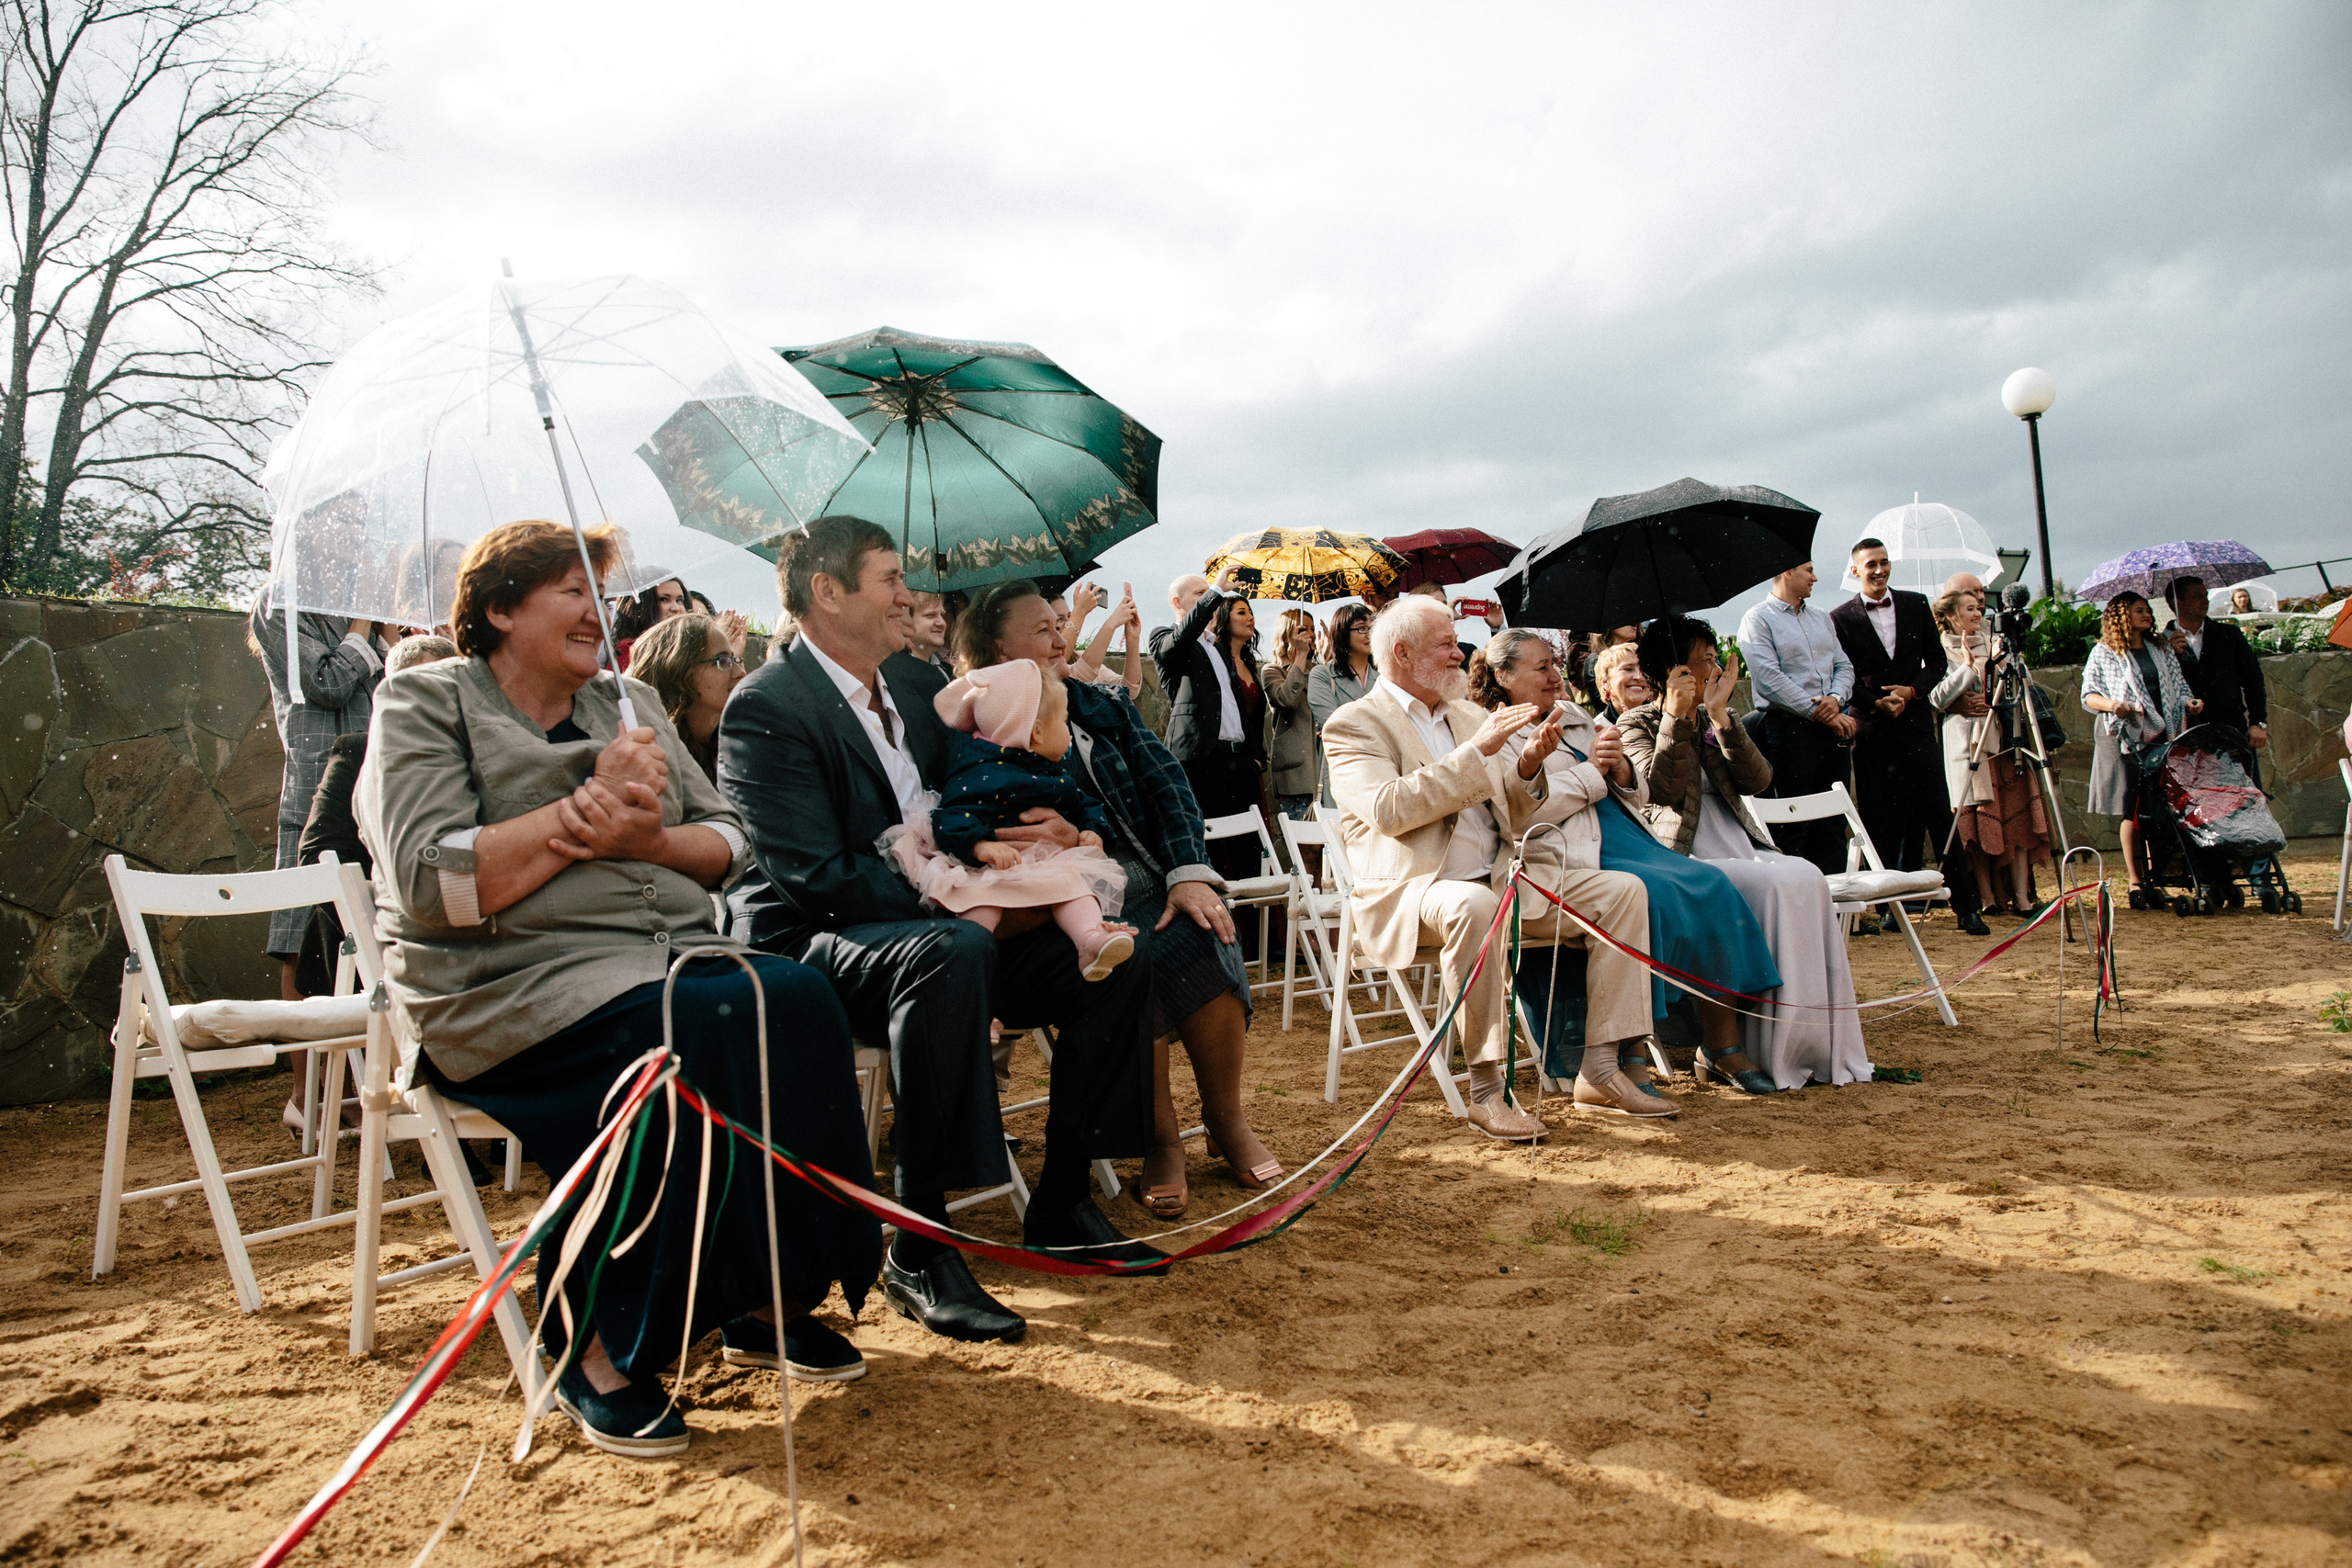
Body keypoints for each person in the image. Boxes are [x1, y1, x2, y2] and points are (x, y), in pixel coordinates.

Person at [355, 519, 879, 1458]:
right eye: (571, 592)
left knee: (796, 999)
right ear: (500, 607)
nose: (601, 613)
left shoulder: (629, 701)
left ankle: (761, 1297)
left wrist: (645, 842)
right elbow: (432, 886)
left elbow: (727, 841)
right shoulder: (425, 704)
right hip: (513, 991)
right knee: (697, 1024)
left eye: (604, 594)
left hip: (666, 961)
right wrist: (580, 814)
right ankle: (589, 1340)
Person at [720, 517, 1161, 1347]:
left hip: (947, 917)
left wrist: (1056, 831)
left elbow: (991, 787)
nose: (908, 595)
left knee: (1114, 953)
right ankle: (918, 1244)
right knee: (952, 952)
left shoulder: (918, 689)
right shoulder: (767, 704)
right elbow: (813, 875)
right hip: (816, 942)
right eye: (889, 579)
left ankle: (1063, 1201)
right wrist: (960, 895)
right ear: (827, 592)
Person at [957, 580, 1281, 1218]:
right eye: (1043, 626)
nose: (1061, 635)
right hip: (1050, 899)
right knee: (1136, 954)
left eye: (1061, 624)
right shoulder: (973, 718)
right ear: (995, 641)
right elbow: (963, 817)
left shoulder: (1100, 703)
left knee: (1205, 924)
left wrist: (1188, 869)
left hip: (1141, 874)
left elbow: (1168, 784)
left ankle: (1225, 1119)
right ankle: (1162, 1142)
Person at [1476, 626, 1786, 1100]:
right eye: (1541, 668)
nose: (1554, 675)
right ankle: (1631, 1055)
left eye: (1553, 665)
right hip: (1571, 849)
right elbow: (1518, 816)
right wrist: (1593, 773)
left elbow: (1638, 793)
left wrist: (1621, 769)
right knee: (1651, 896)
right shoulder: (1494, 731)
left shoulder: (1576, 715)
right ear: (1504, 676)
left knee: (1712, 883)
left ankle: (1723, 1048)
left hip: (1625, 835)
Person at [1320, 598, 1572, 1139]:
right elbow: (1390, 810)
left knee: (1621, 892)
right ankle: (1485, 1088)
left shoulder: (1469, 715)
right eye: (1445, 644)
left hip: (1502, 873)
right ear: (1403, 653)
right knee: (1475, 904)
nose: (1460, 653)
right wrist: (1476, 752)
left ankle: (1607, 1067)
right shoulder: (1353, 724)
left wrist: (1527, 765)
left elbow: (1515, 810)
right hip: (1414, 890)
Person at [1610, 618, 1869, 1089]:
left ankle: (1808, 1042)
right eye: (1704, 658)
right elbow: (1661, 790)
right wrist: (1676, 718)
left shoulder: (1717, 714)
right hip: (1682, 850)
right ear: (1674, 668)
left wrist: (1723, 719)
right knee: (1776, 883)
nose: (1715, 666)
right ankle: (1755, 1043)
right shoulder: (1636, 721)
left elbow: (1759, 781)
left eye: (1713, 656)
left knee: (1804, 873)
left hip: (1739, 839)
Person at [879, 659, 1138, 977]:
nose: (1068, 734)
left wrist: (1092, 829)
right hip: (986, 870)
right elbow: (950, 817)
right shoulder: (980, 774)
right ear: (1037, 733)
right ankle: (965, 976)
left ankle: (1089, 939)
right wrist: (979, 846)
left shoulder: (1047, 773)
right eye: (1064, 722)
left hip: (1040, 865)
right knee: (980, 908)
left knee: (1074, 886)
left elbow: (1084, 803)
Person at [1830, 539, 1980, 929]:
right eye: (1870, 565)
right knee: (1879, 821)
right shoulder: (1839, 617)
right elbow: (1843, 674)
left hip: (1915, 725)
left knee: (1938, 814)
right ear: (1855, 572)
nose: (1879, 571)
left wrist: (1911, 692)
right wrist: (1875, 701)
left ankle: (1967, 908)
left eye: (1884, 563)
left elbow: (1937, 664)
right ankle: (1888, 911)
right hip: (1872, 731)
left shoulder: (1915, 604)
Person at [1929, 590, 2052, 922]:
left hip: (2002, 740)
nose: (1977, 613)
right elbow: (1937, 698)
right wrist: (1968, 668)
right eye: (1969, 608)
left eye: (1979, 607)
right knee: (1976, 824)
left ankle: (2023, 897)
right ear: (1952, 615)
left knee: (2015, 818)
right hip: (1967, 746)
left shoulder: (1994, 641)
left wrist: (2008, 660)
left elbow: (2017, 687)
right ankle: (1986, 896)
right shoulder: (1938, 648)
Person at [2080, 591, 2201, 898]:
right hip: (2123, 737)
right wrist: (2112, 705)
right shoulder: (2104, 652)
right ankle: (2136, 879)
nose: (2147, 614)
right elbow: (2089, 695)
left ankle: (2161, 874)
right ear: (2121, 617)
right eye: (2138, 610)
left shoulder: (2159, 647)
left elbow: (2178, 685)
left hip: (2163, 735)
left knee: (2160, 806)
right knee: (2131, 808)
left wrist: (2190, 701)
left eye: (2147, 610)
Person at [1738, 560, 1856, 874]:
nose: (1815, 578)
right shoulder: (1757, 619)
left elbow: (1844, 666)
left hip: (1831, 730)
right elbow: (1768, 679)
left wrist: (1835, 699)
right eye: (1809, 570)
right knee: (1793, 824)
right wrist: (1820, 711)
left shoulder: (1822, 618)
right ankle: (1798, 906)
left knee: (1833, 823)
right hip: (1789, 731)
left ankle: (1837, 909)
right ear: (1788, 571)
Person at [1151, 570, 1267, 882]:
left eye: (1209, 593)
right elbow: (1178, 641)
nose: (1210, 598)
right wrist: (1216, 588)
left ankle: (1258, 931)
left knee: (1252, 856)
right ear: (1177, 602)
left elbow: (1237, 704)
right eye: (1199, 594)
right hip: (1202, 763)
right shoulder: (1165, 638)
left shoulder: (1217, 648)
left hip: (1239, 761)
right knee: (1211, 856)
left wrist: (1256, 755)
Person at [623, 612, 747, 785]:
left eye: (735, 659)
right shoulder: (654, 756)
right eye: (723, 661)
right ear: (677, 671)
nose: (740, 673)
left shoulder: (739, 744)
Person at [2165, 575, 2269, 763]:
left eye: (2205, 595)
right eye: (2197, 596)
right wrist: (2166, 652)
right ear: (2175, 602)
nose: (2205, 601)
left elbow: (2253, 679)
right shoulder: (2161, 643)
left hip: (2231, 729)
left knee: (2245, 790)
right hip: (2186, 735)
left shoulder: (2229, 635)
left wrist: (2258, 722)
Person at [1307, 603, 1378, 806]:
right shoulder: (1323, 675)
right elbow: (1336, 726)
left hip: (1380, 774)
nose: (1369, 634)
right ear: (1342, 633)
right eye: (1361, 628)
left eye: (1372, 628)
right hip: (1343, 774)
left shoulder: (1383, 679)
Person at [1263, 607, 1319, 823]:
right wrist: (1301, 655)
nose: (1311, 634)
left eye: (1313, 629)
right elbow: (1287, 699)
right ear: (1288, 633)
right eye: (1304, 629)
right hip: (1296, 774)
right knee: (1304, 845)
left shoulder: (1320, 671)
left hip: (1322, 770)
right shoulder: (1272, 670)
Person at [1066, 581, 1148, 703]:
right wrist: (1111, 624)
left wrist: (1132, 638)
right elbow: (1080, 675)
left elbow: (1128, 690)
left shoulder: (1080, 656)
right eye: (1059, 619)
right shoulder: (1043, 667)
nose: (1068, 623)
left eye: (1069, 616)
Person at [608, 575, 689, 671]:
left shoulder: (685, 649)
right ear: (644, 606)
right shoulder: (631, 649)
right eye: (664, 599)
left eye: (679, 601)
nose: (676, 608)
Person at [1588, 643, 1649, 724]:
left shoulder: (1664, 721)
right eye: (1628, 669)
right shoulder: (1594, 731)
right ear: (1606, 682)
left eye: (1644, 670)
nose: (1639, 677)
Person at [904, 590, 955, 676]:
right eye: (930, 615)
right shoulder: (895, 672)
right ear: (907, 619)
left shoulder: (947, 671)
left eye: (942, 615)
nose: (942, 623)